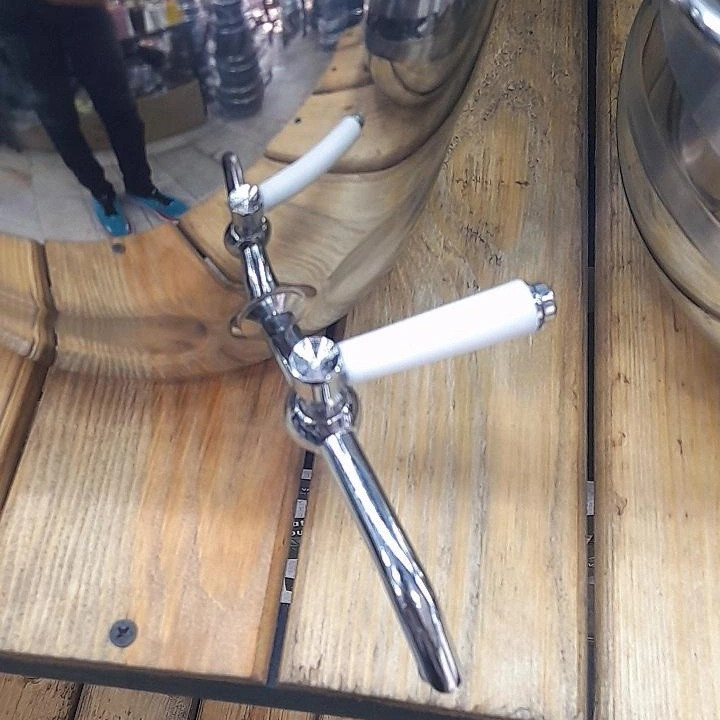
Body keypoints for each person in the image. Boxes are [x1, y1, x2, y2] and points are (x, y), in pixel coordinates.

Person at [0, 0, 188, 236]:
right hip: (21, 22)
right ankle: (101, 193)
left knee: (118, 104)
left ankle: (141, 186)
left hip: (84, 12)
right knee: (58, 119)